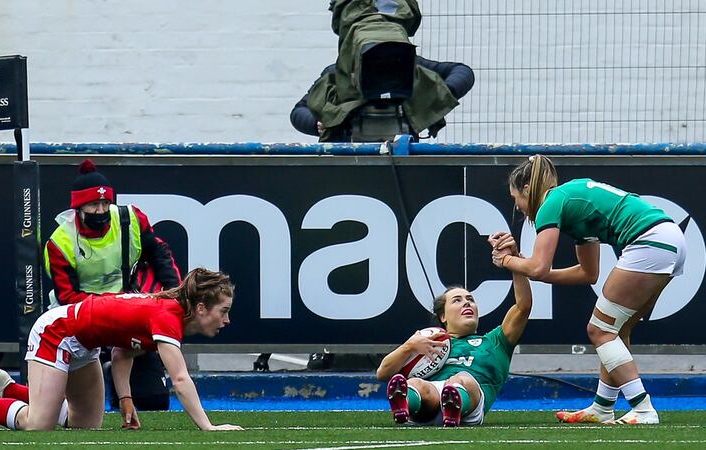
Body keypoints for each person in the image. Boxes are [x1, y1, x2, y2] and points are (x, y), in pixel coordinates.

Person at [491, 154, 686, 425]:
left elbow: (537, 268)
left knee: (599, 330)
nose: (519, 207)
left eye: (516, 199)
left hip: (650, 241)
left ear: (527, 190)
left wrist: (507, 260)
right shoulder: (570, 203)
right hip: (669, 239)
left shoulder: (550, 202)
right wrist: (522, 263)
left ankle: (643, 408)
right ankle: (603, 407)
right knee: (616, 330)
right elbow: (587, 273)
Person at [0, 268, 243, 432]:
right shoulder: (168, 316)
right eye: (224, 311)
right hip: (57, 332)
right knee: (38, 424)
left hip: (83, 344)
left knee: (86, 424)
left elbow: (122, 353)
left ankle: (7, 388)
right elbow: (180, 379)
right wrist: (208, 426)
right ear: (201, 308)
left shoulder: (170, 315)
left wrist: (126, 399)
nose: (227, 320)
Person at [45, 159, 181, 410]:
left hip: (126, 315)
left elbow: (160, 254)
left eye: (105, 203)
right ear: (78, 208)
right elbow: (66, 295)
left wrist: (176, 294)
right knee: (62, 410)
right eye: (94, 204)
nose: (101, 210)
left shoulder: (131, 219)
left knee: (154, 401)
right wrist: (109, 311)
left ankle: (121, 375)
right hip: (78, 321)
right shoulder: (60, 242)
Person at [376, 232, 532, 427]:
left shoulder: (495, 341)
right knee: (417, 385)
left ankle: (452, 405)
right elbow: (383, 373)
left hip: (470, 400)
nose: (467, 303)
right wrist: (410, 346)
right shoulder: (426, 341)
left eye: (470, 300)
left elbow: (523, 306)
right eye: (457, 300)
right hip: (432, 397)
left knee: (462, 380)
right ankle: (406, 404)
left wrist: (514, 261)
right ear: (443, 316)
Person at [290, 57, 475, 141]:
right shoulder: (337, 74)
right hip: (347, 161)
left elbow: (463, 72)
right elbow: (300, 111)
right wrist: (318, 124)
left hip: (404, 162)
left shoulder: (411, 68)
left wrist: (435, 98)